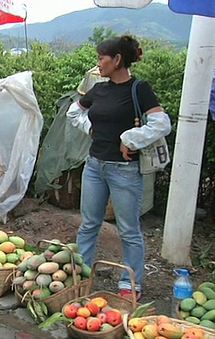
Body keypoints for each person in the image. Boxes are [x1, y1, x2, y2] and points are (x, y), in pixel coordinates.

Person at [66, 35, 172, 300]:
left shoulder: (139, 88)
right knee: (88, 224)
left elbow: (161, 123)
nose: (98, 63)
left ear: (117, 59)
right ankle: (80, 275)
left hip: (124, 170)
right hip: (94, 166)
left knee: (128, 230)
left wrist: (130, 138)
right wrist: (90, 127)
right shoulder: (99, 89)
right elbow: (73, 112)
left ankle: (130, 284)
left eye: (102, 58)